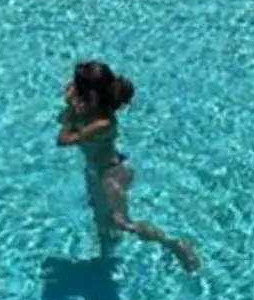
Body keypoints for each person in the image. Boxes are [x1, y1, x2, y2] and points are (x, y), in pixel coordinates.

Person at [57, 59, 201, 275]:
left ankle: (175, 244)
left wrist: (70, 108)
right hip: (96, 172)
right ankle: (105, 261)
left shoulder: (104, 122)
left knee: (122, 222)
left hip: (111, 174)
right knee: (102, 222)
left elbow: (65, 139)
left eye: (78, 87)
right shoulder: (86, 107)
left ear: (91, 95)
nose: (72, 89)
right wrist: (72, 108)